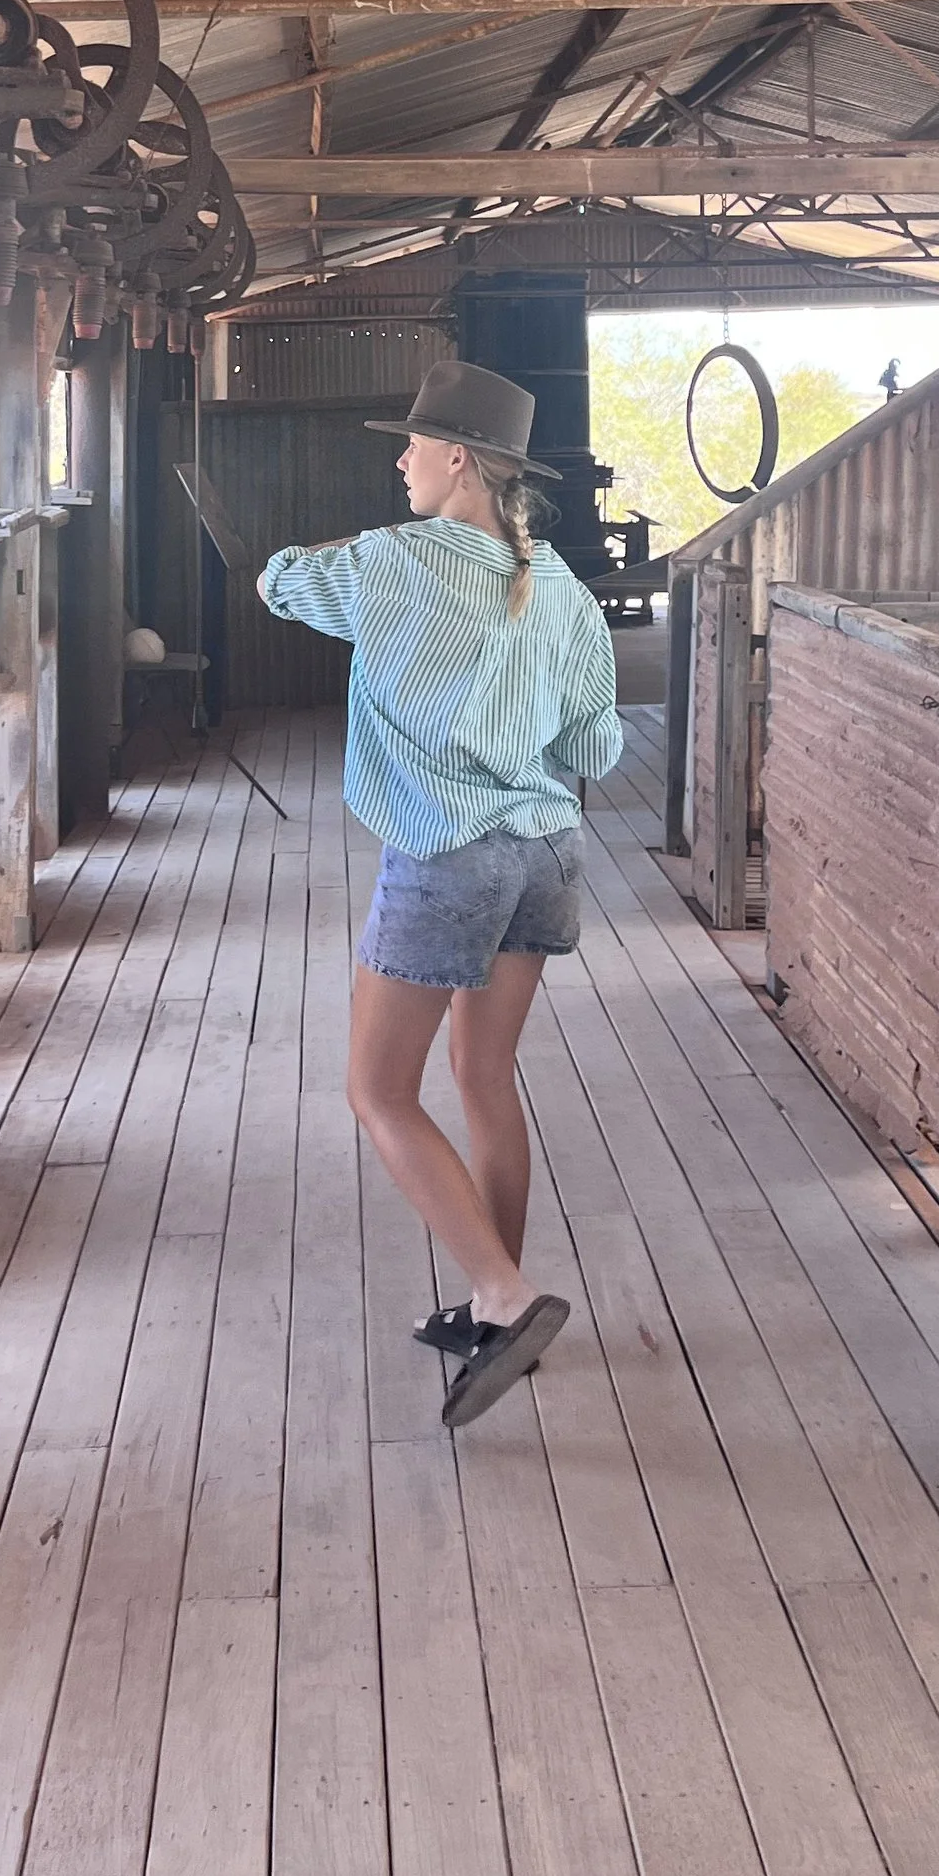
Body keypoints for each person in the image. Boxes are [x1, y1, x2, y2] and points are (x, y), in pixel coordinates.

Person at [258, 359, 624, 1428]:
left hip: (448, 860)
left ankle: (506, 1298)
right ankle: (492, 1306)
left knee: (377, 1092)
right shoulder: (557, 585)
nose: (399, 456)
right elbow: (594, 739)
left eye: (412, 443)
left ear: (457, 457)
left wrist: (337, 555)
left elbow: (278, 581)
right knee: (484, 1075)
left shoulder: (387, 562)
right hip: (545, 852)